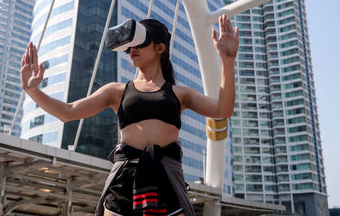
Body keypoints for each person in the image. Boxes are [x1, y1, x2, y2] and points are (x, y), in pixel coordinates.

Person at [20, 14, 239, 216]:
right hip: (123, 180)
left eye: (140, 44)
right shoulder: (115, 91)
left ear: (160, 48)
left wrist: (227, 60)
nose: (132, 49)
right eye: (129, 46)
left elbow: (223, 110)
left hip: (167, 179)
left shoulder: (181, 94)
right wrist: (33, 90)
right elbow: (68, 112)